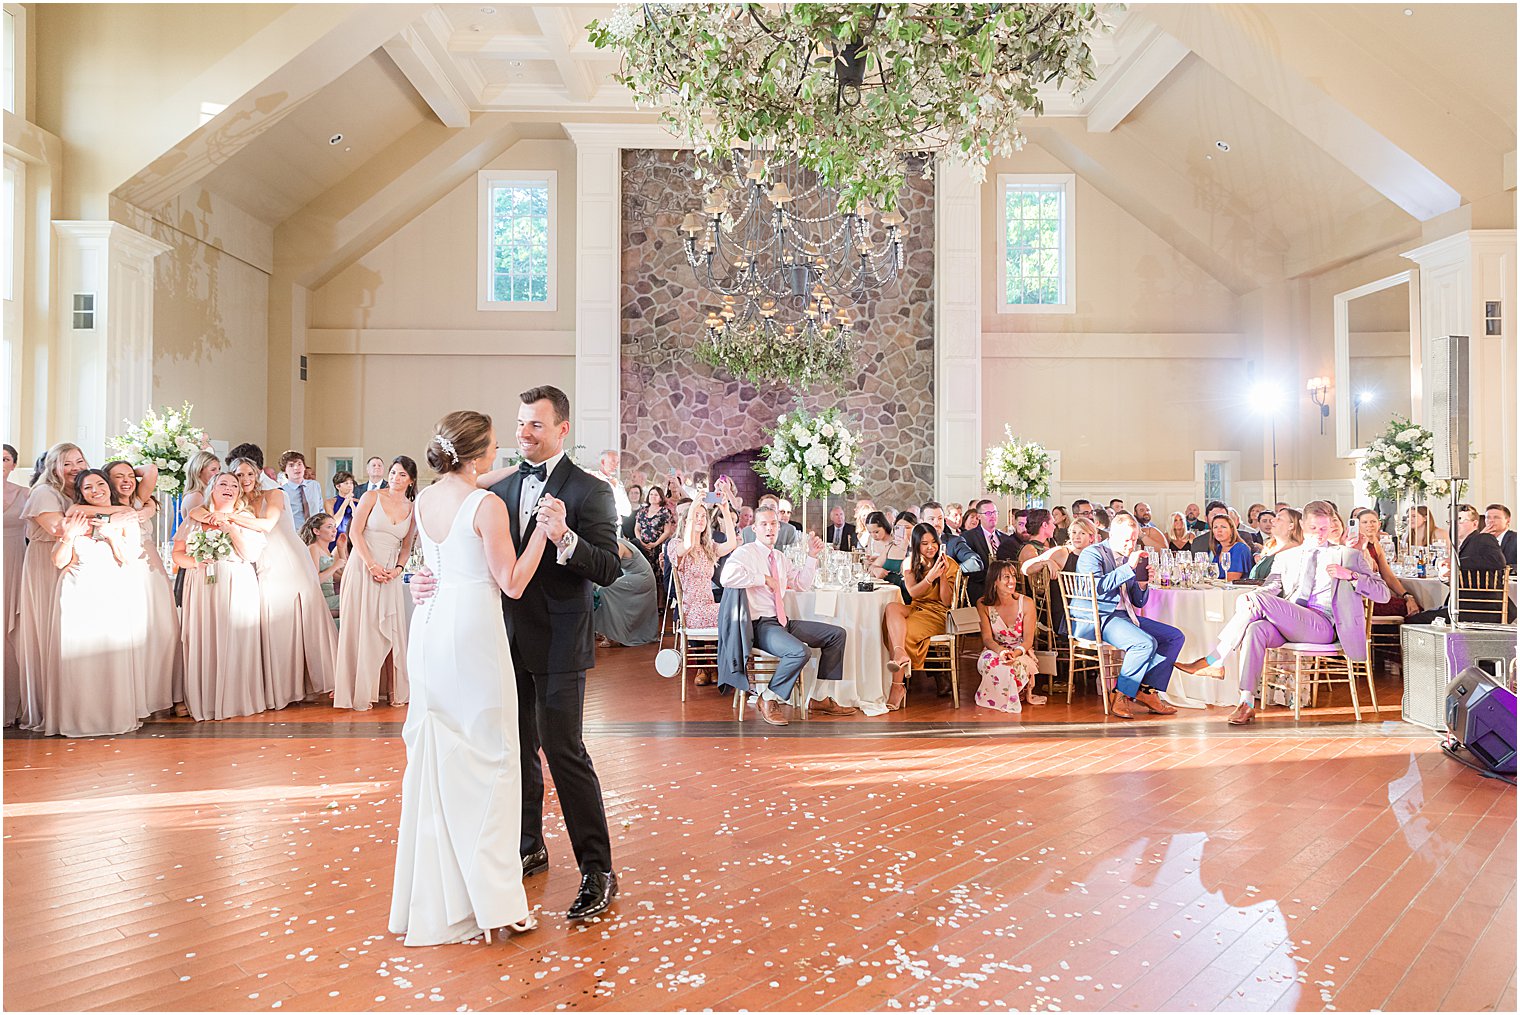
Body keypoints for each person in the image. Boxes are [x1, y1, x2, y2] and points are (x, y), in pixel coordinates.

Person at [413, 386, 624, 921]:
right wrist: (425, 580)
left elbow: (609, 568)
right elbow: (459, 546)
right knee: (516, 750)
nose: (523, 432)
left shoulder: (590, 490)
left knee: (563, 750)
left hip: (558, 639)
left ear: (562, 429)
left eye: (534, 424)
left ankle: (598, 869)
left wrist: (567, 540)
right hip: (498, 638)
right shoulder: (495, 487)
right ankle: (529, 844)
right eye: (519, 422)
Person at [390, 410, 549, 945]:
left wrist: (509, 472)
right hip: (475, 634)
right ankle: (499, 904)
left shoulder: (427, 498)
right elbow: (512, 583)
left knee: (443, 760)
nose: (504, 455)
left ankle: (445, 895)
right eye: (498, 448)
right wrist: (544, 536)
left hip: (430, 631)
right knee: (496, 761)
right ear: (479, 453)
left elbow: (428, 557)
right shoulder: (487, 506)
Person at [1178, 501, 1389, 725]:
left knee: (1255, 600)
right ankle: (1246, 702)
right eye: (1314, 528)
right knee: (1255, 629)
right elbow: (1271, 587)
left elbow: (1383, 593)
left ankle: (1215, 659)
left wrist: (1350, 576)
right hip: (1290, 622)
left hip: (1323, 626)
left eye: (1324, 528)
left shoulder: (1347, 556)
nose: (1319, 534)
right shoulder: (1287, 556)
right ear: (1303, 526)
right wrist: (1253, 597)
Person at [203, 456, 338, 710]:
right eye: (239, 476)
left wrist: (228, 518)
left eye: (248, 475)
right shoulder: (237, 503)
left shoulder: (273, 494)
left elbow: (266, 525)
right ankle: (285, 688)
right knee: (277, 624)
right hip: (264, 564)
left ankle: (328, 680)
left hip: (290, 560)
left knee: (305, 618)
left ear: (256, 475)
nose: (244, 480)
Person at [720, 506, 854, 724]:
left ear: (779, 527)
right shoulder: (745, 553)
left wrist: (812, 557)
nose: (769, 528)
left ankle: (818, 698)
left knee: (836, 635)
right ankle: (768, 698)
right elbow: (726, 577)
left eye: (773, 524)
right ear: (754, 528)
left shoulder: (780, 558)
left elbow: (801, 584)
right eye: (764, 524)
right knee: (799, 652)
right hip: (760, 625)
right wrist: (763, 578)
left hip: (782, 622)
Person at [39, 470, 144, 737]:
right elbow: (59, 561)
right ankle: (76, 719)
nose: (96, 490)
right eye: (88, 488)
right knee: (77, 659)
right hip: (76, 592)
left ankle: (112, 717)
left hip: (111, 593)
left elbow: (129, 558)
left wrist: (111, 534)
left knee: (110, 655)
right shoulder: (73, 518)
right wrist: (69, 536)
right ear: (81, 494)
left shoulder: (125, 519)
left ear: (109, 487)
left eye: (100, 484)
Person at [174, 470, 269, 722]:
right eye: (223, 483)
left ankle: (235, 700)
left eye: (234, 485)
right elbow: (178, 554)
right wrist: (196, 561)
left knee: (234, 637)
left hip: (236, 580)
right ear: (212, 489)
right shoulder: (195, 518)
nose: (229, 487)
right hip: (201, 582)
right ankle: (205, 700)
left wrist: (231, 529)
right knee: (204, 637)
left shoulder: (245, 518)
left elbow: (250, 554)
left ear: (238, 493)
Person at [1072, 512, 1186, 720]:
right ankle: (1121, 695)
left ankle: (1147, 690)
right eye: (1127, 540)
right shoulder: (1092, 553)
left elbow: (1138, 601)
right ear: (1112, 535)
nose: (1131, 544)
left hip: (1124, 615)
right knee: (1144, 643)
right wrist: (1129, 568)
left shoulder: (1129, 557)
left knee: (1174, 637)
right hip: (1097, 617)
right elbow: (1096, 589)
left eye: (1134, 539)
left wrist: (1143, 584)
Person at [16, 443, 89, 731]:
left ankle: (72, 703)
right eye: (66, 463)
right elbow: (59, 529)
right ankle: (50, 707)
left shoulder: (80, 492)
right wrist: (108, 516)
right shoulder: (44, 492)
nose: (74, 468)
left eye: (79, 461)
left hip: (75, 565)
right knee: (49, 631)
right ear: (53, 467)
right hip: (46, 565)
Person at [334, 457, 417, 710]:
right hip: (362, 567)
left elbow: (407, 545)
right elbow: (355, 532)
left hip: (390, 572)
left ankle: (392, 691)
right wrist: (370, 564)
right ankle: (357, 691)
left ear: (411, 480)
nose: (395, 478)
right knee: (362, 628)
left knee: (390, 629)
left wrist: (398, 569)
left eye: (402, 475)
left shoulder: (413, 508)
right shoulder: (371, 497)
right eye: (393, 473)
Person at [105, 460, 180, 717]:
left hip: (153, 568)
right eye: (118, 477)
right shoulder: (104, 504)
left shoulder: (138, 500)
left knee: (164, 628)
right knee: (134, 630)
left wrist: (128, 475)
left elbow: (151, 470)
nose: (127, 480)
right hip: (124, 568)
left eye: (129, 476)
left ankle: (162, 693)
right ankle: (134, 695)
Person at [882, 522, 961, 706]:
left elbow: (947, 602)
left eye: (933, 542)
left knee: (902, 633)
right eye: (924, 543)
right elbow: (913, 593)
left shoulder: (948, 564)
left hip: (938, 612)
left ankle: (897, 686)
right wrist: (929, 577)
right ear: (916, 544)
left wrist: (940, 575)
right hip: (918, 606)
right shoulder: (910, 563)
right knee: (891, 608)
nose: (930, 547)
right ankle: (900, 653)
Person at [1405, 504, 1510, 626]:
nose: (1454, 525)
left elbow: (1497, 561)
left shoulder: (1483, 538)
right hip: (1463, 605)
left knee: (1412, 621)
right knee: (1416, 616)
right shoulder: (1461, 546)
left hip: (1480, 607)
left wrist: (1456, 563)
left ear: (1475, 524)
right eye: (1452, 521)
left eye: (1460, 520)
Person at [671, 499, 737, 685]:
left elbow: (731, 543)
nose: (700, 519)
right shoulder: (676, 544)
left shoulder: (708, 547)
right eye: (696, 516)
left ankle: (720, 665)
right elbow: (687, 545)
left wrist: (724, 510)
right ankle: (717, 667)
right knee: (730, 614)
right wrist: (692, 509)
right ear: (687, 520)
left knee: (734, 612)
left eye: (703, 516)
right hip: (691, 610)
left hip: (709, 606)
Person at [974, 559, 1044, 713]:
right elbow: (987, 638)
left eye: (1013, 576)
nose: (1012, 581)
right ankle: (1003, 698)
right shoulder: (983, 604)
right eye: (1006, 577)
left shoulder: (1026, 603)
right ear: (994, 582)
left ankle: (1011, 696)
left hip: (1021, 651)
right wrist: (1001, 652)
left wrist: (1015, 653)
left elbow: (1028, 641)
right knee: (993, 662)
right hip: (995, 649)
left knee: (1013, 666)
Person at [1349, 508, 1420, 618]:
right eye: (1365, 522)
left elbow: (1388, 576)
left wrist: (1407, 596)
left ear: (1379, 524)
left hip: (1377, 593)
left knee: (1414, 607)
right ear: (1358, 525)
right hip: (1364, 597)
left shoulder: (1377, 543)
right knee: (1412, 611)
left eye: (1373, 521)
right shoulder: (1355, 545)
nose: (1370, 525)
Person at [3, 444, 30, 724]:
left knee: (11, 634)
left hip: (14, 563)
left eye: (5, 458)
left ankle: (12, 705)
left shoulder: (26, 495)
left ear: (13, 465)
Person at [593, 538, 659, 647]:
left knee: (604, 590)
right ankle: (605, 630)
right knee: (600, 587)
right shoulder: (617, 543)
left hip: (641, 578)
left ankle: (610, 635)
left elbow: (611, 569)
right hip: (636, 577)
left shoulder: (618, 545)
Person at [962, 498, 1019, 603]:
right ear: (979, 516)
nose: (993, 516)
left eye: (995, 512)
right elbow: (970, 570)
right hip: (981, 587)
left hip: (1006, 587)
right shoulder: (968, 537)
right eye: (988, 513)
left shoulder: (1005, 538)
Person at [301, 513, 346, 618]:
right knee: (354, 599)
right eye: (329, 527)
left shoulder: (327, 551)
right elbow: (315, 580)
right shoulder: (313, 548)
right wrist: (335, 566)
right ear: (316, 531)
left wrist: (341, 548)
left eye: (335, 526)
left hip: (330, 598)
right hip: (320, 599)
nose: (334, 530)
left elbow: (345, 574)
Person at [632, 486, 674, 575]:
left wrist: (655, 543)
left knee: (656, 573)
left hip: (657, 546)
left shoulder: (665, 512)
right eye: (651, 494)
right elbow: (637, 528)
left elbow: (667, 531)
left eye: (656, 495)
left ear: (660, 498)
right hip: (642, 546)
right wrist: (640, 541)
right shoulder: (642, 511)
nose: (653, 496)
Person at [1251, 508, 1303, 579]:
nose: (1272, 520)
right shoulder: (1270, 546)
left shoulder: (1295, 551)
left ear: (1291, 526)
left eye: (1279, 519)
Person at [278, 450, 324, 531]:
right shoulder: (282, 491)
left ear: (304, 467)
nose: (296, 468)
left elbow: (320, 509)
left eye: (299, 464)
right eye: (291, 465)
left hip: (316, 532)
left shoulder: (314, 485)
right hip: (295, 533)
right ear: (285, 470)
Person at [1208, 514, 1254, 581]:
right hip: (1219, 589)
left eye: (1223, 527)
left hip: (1238, 590)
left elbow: (1231, 579)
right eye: (1215, 527)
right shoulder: (1219, 548)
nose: (1219, 530)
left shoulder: (1239, 548)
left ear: (1232, 530)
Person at [592, 449, 633, 521]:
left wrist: (616, 487)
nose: (616, 465)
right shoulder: (593, 479)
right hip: (598, 524)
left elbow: (627, 511)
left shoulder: (618, 483)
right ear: (603, 462)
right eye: (613, 461)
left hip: (616, 525)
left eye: (618, 462)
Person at [327, 470, 360, 554]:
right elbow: (334, 524)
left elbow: (359, 521)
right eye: (346, 483)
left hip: (353, 539)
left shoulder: (359, 502)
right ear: (338, 486)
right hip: (336, 538)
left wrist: (352, 504)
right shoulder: (330, 502)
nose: (350, 486)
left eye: (351, 483)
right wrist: (345, 502)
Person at [1484, 503, 1516, 568]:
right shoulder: (1482, 540)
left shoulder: (1516, 539)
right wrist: (1480, 538)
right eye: (1488, 517)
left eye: (1496, 517)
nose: (1491, 521)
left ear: (1508, 520)